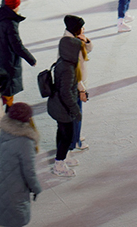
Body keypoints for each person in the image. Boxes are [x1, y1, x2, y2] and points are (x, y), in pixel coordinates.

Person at [0, 102, 41, 227]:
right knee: (16, 220)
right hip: (15, 193)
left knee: (4, 219)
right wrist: (36, 188)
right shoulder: (26, 143)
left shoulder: (5, 132)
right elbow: (29, 172)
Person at [47, 26, 83, 177]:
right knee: (67, 135)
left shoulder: (62, 62)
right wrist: (76, 110)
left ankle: (64, 155)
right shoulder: (68, 68)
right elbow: (66, 93)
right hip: (63, 108)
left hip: (57, 104)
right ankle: (59, 163)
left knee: (61, 132)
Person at [0, 0, 36, 107]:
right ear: (16, 6)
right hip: (8, 61)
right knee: (7, 90)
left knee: (2, 88)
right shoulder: (10, 23)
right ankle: (2, 115)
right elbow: (17, 45)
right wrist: (31, 59)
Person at [62, 15, 92, 155]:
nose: (84, 29)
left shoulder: (75, 40)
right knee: (76, 114)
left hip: (77, 83)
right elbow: (73, 71)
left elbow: (89, 49)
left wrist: (86, 40)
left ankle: (75, 137)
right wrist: (81, 89)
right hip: (74, 85)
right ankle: (74, 141)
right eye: (81, 27)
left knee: (76, 114)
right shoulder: (70, 45)